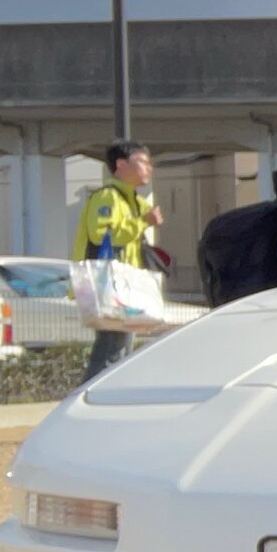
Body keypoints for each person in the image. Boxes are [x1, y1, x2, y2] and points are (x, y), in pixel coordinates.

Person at [71, 140, 161, 382]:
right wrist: (143, 222)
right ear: (121, 164)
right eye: (142, 161)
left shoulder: (132, 200)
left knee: (120, 348)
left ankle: (99, 396)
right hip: (108, 285)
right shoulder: (108, 197)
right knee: (111, 348)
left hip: (125, 285)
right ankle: (89, 398)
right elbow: (100, 234)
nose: (149, 168)